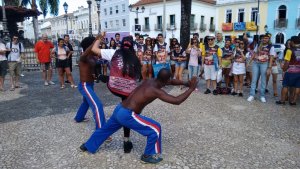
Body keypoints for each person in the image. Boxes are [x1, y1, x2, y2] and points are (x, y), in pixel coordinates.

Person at [80, 68, 198, 164]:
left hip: (119, 109)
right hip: (127, 114)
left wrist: (186, 83)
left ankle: (88, 145)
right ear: (166, 80)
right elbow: (176, 100)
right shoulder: (156, 91)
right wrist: (191, 89)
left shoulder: (150, 80)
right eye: (170, 79)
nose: (171, 81)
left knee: (105, 130)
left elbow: (171, 81)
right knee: (155, 129)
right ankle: (147, 156)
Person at [86, 33, 141, 153]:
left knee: (116, 119)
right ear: (132, 47)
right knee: (126, 114)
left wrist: (99, 39)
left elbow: (94, 49)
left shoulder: (114, 52)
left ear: (121, 44)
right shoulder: (135, 58)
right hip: (128, 92)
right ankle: (126, 141)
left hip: (114, 87)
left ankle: (89, 144)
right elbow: (137, 77)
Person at [74, 36, 107, 131]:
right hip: (84, 85)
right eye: (95, 44)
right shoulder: (84, 56)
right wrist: (97, 39)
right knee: (97, 105)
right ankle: (101, 131)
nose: (98, 46)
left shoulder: (92, 56)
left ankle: (78, 118)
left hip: (90, 84)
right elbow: (90, 50)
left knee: (86, 102)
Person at [247, 34, 275, 103]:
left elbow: (271, 57)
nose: (264, 39)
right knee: (254, 79)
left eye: (266, 38)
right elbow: (254, 53)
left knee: (263, 80)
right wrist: (249, 62)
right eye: (263, 38)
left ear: (269, 39)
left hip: (264, 64)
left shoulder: (271, 47)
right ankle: (252, 95)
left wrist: (269, 67)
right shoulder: (259, 44)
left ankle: (262, 96)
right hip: (256, 63)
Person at [276, 36, 300, 106]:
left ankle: (282, 100)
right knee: (297, 86)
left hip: (290, 71)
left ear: (292, 42)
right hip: (299, 72)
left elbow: (287, 62)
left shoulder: (290, 50)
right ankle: (293, 101)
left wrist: (284, 69)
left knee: (285, 85)